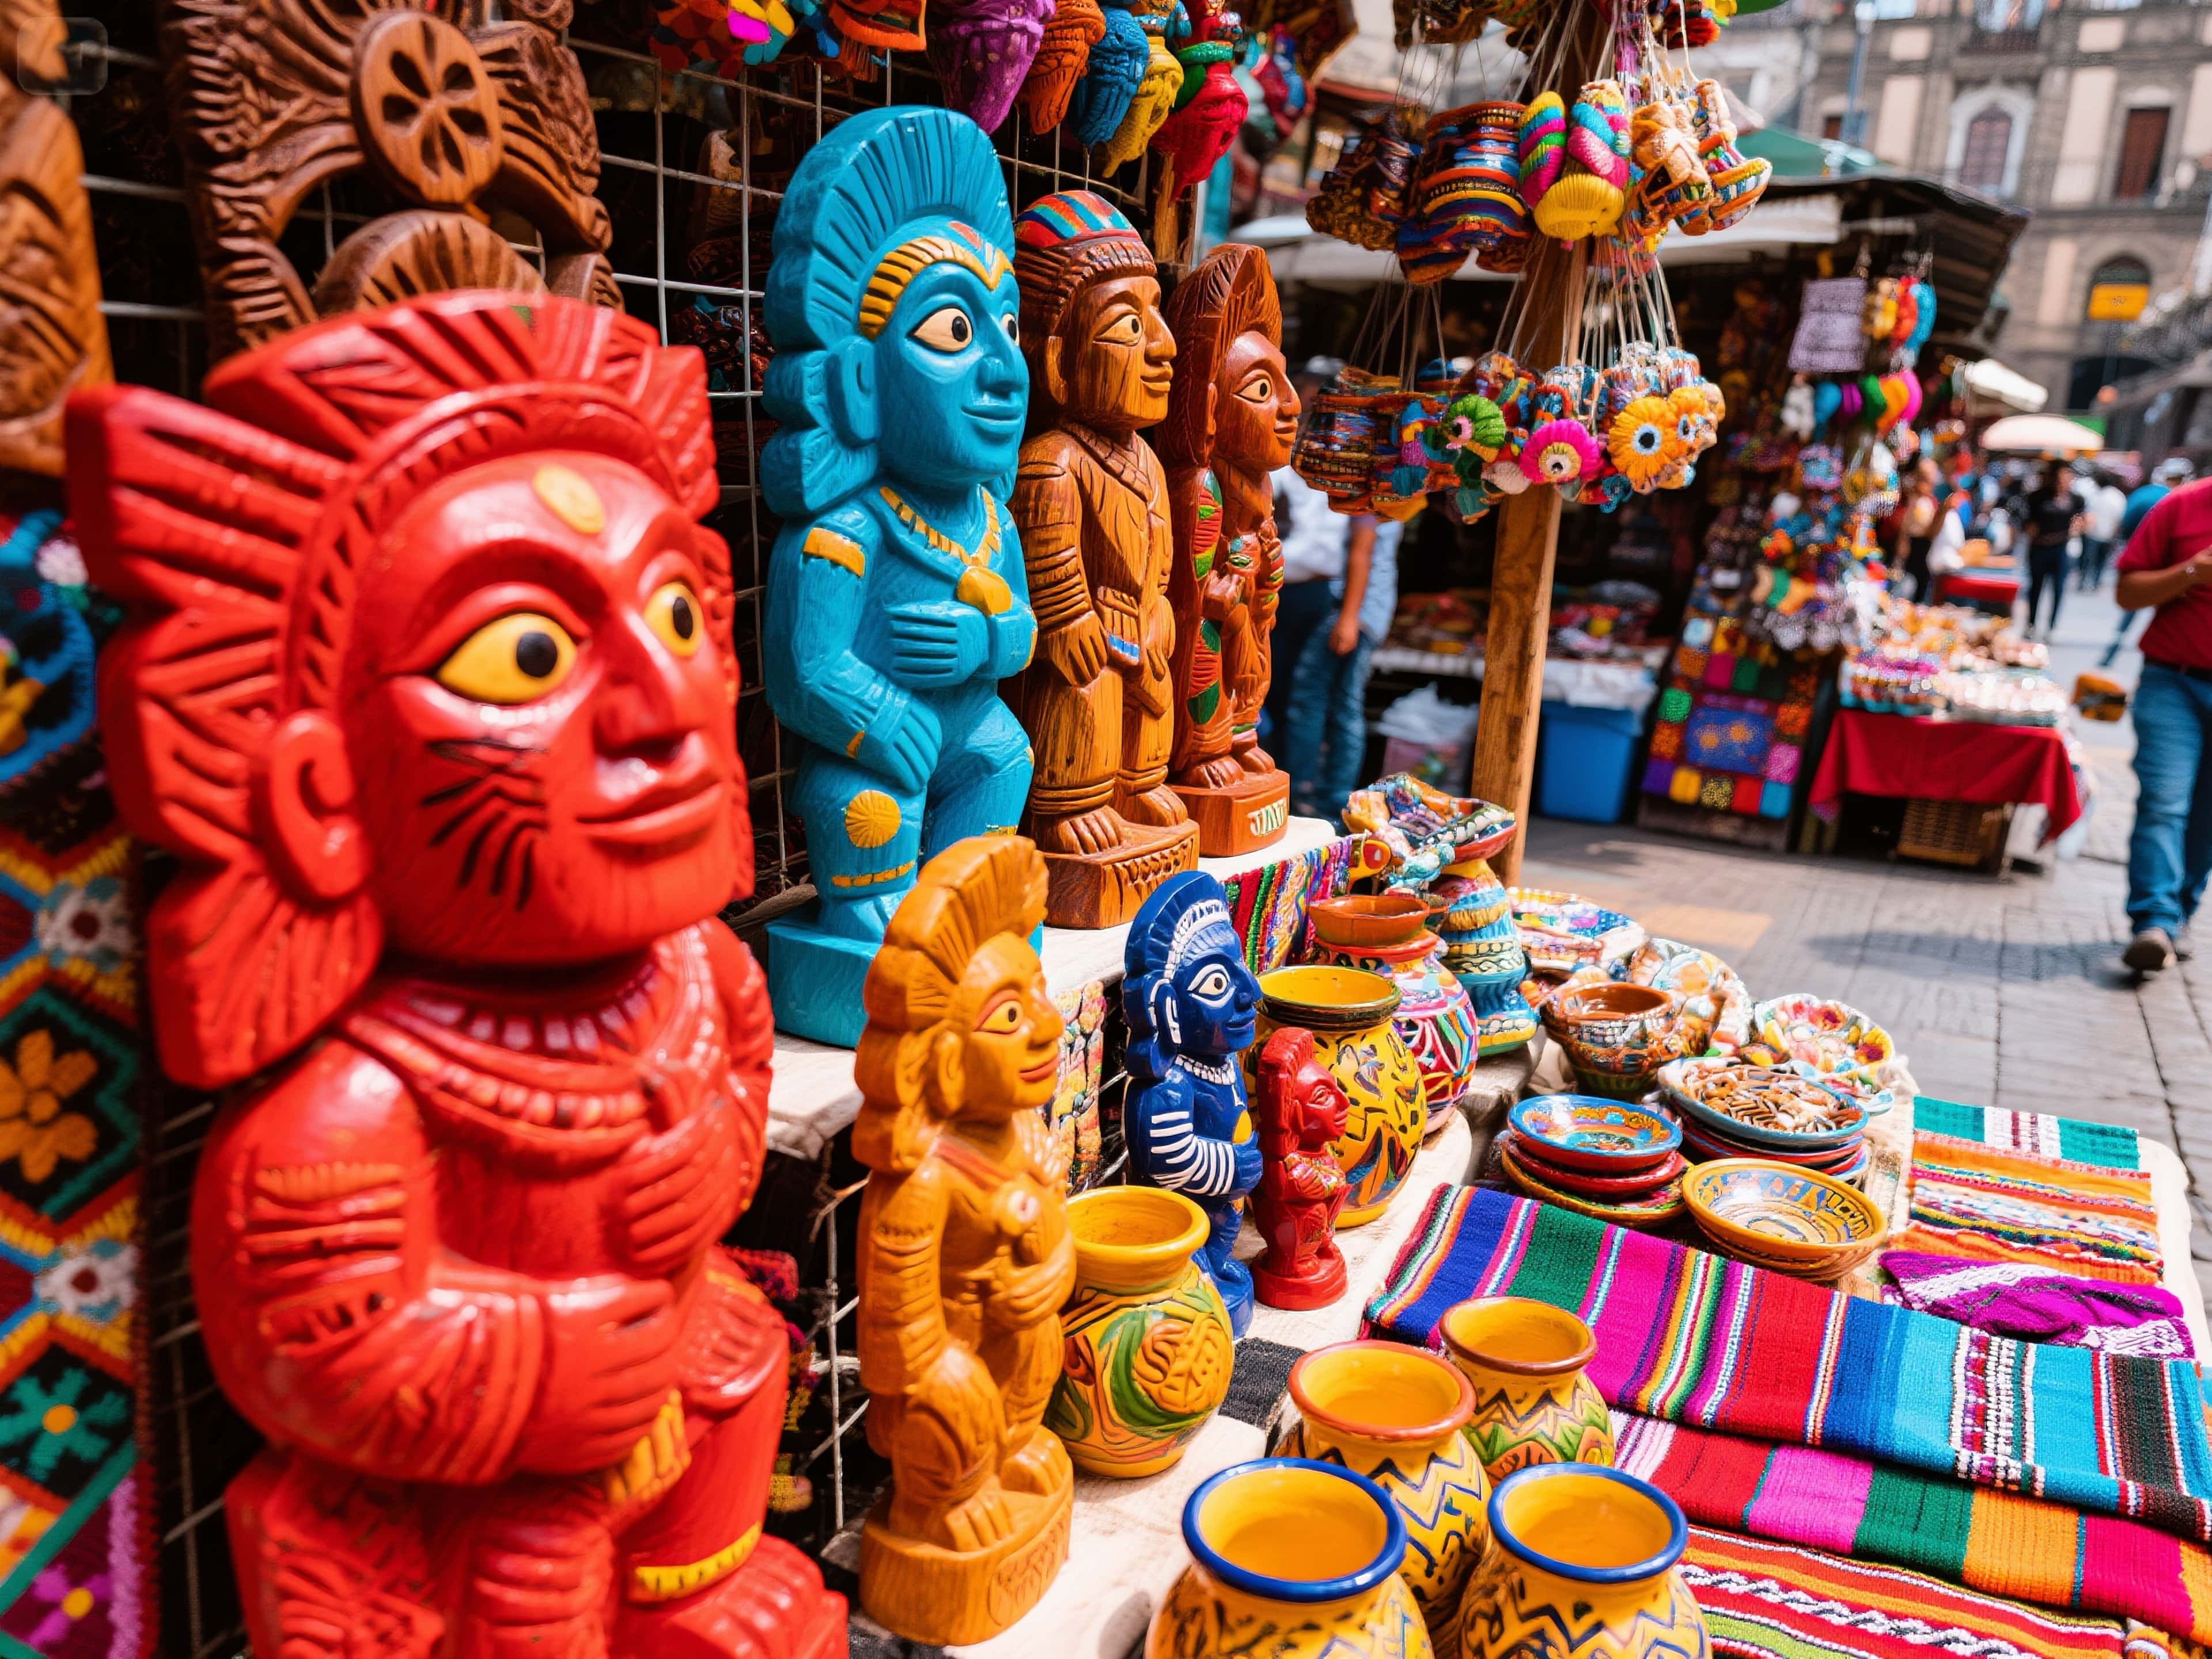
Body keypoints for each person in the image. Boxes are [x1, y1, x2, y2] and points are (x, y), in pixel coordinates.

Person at [2113, 468, 2212, 972]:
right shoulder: (2181, 507)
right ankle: (2154, 921)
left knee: (2205, 815)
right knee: (2165, 801)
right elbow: (2127, 593)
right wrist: (2190, 573)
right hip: (2173, 680)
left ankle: (2180, 914)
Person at [1264, 463, 1401, 823]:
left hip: (1353, 611)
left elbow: (1361, 554)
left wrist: (1349, 618)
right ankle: (1329, 796)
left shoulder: (1371, 498)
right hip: (1361, 611)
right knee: (1339, 703)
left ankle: (1310, 793)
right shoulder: (1388, 494)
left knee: (1316, 701)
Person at [2103, 458, 2195, 666]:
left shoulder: (2145, 493)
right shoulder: (2177, 500)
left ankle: (2110, 654)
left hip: (2138, 563)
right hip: (2163, 571)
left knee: (2129, 617)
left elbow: (2124, 522)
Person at [2020, 467, 2081, 639]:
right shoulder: (2038, 497)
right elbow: (2027, 522)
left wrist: (2078, 526)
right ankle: (2031, 623)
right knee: (2036, 587)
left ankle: (2052, 626)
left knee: (2059, 588)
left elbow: (2083, 518)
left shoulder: (2075, 499)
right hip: (2040, 547)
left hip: (2061, 547)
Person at [1896, 457, 1943, 600]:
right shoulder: (1912, 499)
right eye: (1924, 479)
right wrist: (1902, 542)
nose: (1927, 484)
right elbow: (1905, 525)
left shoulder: (1931, 502)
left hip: (1924, 550)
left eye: (1929, 480)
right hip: (1913, 548)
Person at [2078, 469, 2128, 590]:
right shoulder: (2117, 495)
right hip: (2106, 534)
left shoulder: (2097, 494)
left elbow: (2088, 513)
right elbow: (2120, 518)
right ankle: (2095, 582)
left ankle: (2084, 581)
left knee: (2088, 559)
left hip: (2094, 533)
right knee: (2100, 560)